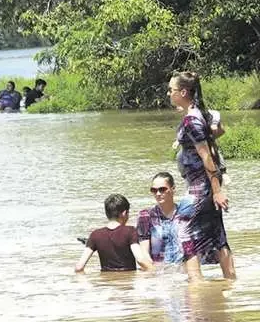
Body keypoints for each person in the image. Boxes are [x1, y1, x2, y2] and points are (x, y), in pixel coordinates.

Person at [168, 71, 236, 280]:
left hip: (202, 186)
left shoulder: (192, 120)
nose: (169, 93)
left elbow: (207, 156)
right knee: (216, 234)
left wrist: (216, 191)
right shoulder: (198, 114)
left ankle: (196, 284)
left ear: (183, 92)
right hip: (202, 185)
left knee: (181, 229)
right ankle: (230, 281)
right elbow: (212, 138)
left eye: (172, 90)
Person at [75, 194, 154, 273]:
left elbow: (79, 267)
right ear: (124, 213)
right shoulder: (130, 231)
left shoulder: (95, 235)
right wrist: (155, 272)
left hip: (104, 284)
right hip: (126, 283)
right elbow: (140, 259)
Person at [136, 172, 197, 266]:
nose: (158, 193)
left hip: (183, 269)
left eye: (162, 189)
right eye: (154, 190)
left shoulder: (184, 213)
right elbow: (145, 253)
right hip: (159, 272)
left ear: (173, 189)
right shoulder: (146, 216)